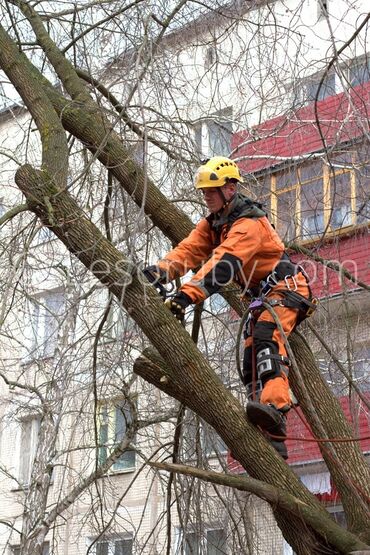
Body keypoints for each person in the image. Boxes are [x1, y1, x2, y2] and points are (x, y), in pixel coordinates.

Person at [144, 156, 316, 459]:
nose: (206, 196)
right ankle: (266, 429)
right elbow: (188, 251)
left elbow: (223, 263)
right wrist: (158, 272)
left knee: (266, 339)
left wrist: (185, 296)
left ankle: (275, 411)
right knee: (251, 359)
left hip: (285, 290)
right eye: (204, 191)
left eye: (212, 190)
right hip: (262, 296)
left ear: (230, 188)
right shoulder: (215, 224)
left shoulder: (249, 224)